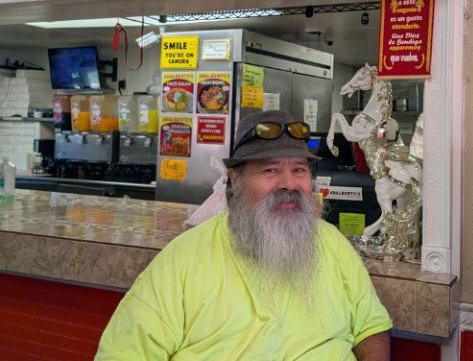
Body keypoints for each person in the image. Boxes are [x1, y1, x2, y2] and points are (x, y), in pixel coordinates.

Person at [96, 110, 392, 360]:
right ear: (235, 180)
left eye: (299, 170)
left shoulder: (331, 243)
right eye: (271, 171)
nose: (289, 184)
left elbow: (371, 327)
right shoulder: (184, 258)